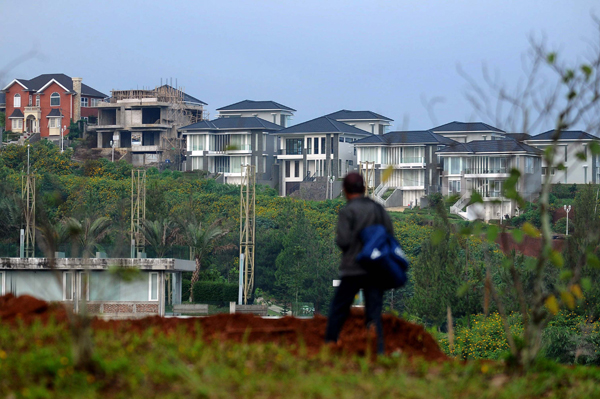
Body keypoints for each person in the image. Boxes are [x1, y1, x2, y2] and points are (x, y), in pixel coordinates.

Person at [325, 172, 394, 354]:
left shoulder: (348, 211)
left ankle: (330, 345)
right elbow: (390, 237)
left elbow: (343, 241)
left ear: (345, 191)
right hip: (375, 270)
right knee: (374, 313)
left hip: (352, 269)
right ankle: (378, 352)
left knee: (338, 310)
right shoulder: (378, 209)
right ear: (364, 189)